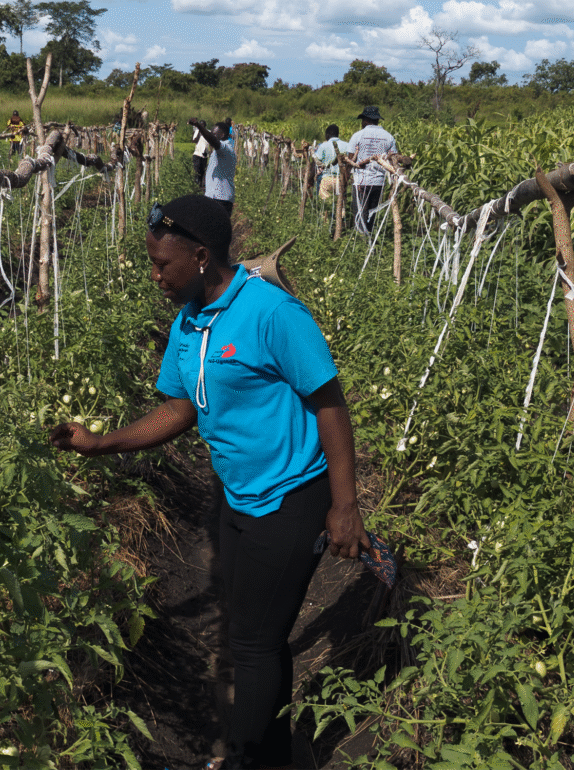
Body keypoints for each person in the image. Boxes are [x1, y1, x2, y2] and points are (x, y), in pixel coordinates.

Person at [50, 195, 370, 770]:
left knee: (250, 643)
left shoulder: (272, 314)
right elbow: (179, 408)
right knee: (258, 636)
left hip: (291, 498)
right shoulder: (190, 319)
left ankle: (246, 758)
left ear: (200, 256)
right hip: (237, 495)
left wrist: (345, 505)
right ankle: (275, 753)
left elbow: (329, 405)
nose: (154, 277)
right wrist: (102, 443)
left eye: (160, 264)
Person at [347, 106, 397, 234]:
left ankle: (361, 242)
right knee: (371, 213)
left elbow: (350, 159)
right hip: (378, 182)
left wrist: (346, 177)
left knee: (360, 213)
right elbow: (393, 159)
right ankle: (369, 237)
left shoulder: (357, 136)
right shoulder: (388, 137)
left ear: (365, 120)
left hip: (360, 181)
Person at [189, 118, 236, 215]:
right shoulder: (222, 150)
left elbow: (214, 141)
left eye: (214, 134)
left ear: (222, 135)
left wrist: (198, 126)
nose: (212, 136)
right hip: (217, 198)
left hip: (219, 199)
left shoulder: (226, 148)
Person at [313, 124, 352, 217]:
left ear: (327, 135)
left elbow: (317, 161)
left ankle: (325, 225)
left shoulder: (323, 146)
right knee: (341, 205)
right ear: (338, 134)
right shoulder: (347, 146)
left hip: (327, 178)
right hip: (341, 179)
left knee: (325, 205)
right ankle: (340, 224)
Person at [192, 122, 211, 190]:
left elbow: (210, 142)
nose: (201, 126)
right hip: (197, 153)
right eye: (200, 125)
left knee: (203, 170)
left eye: (202, 125)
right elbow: (194, 140)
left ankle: (201, 185)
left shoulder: (208, 132)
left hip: (205, 154)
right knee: (197, 170)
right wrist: (199, 133)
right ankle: (196, 185)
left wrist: (208, 152)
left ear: (205, 126)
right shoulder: (197, 131)